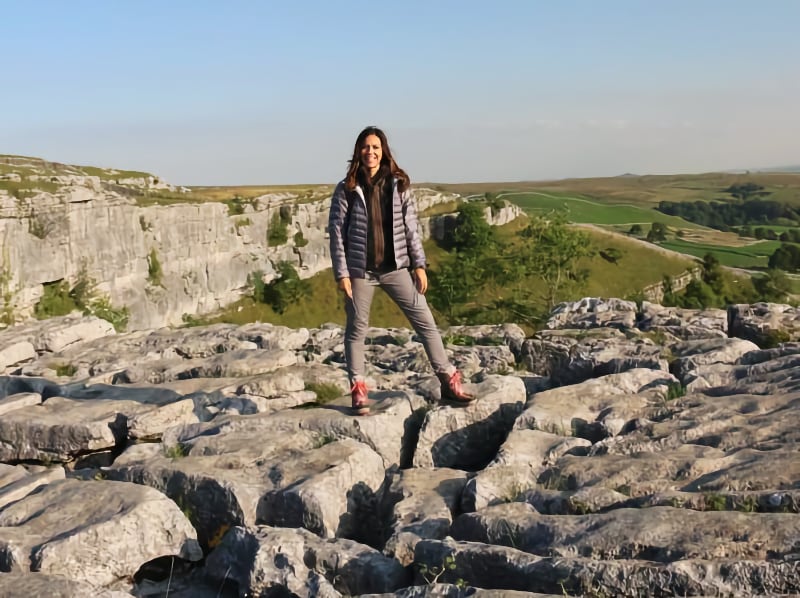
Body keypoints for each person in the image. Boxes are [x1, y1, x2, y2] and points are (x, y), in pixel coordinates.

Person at [328, 126, 474, 415]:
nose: (371, 152)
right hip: (361, 271)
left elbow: (411, 228)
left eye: (376, 147)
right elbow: (336, 233)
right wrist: (342, 274)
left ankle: (447, 378)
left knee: (425, 322)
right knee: (356, 330)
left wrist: (419, 264)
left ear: (384, 152)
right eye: (366, 147)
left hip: (395, 268)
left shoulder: (398, 184)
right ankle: (358, 390)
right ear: (358, 151)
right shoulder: (347, 187)